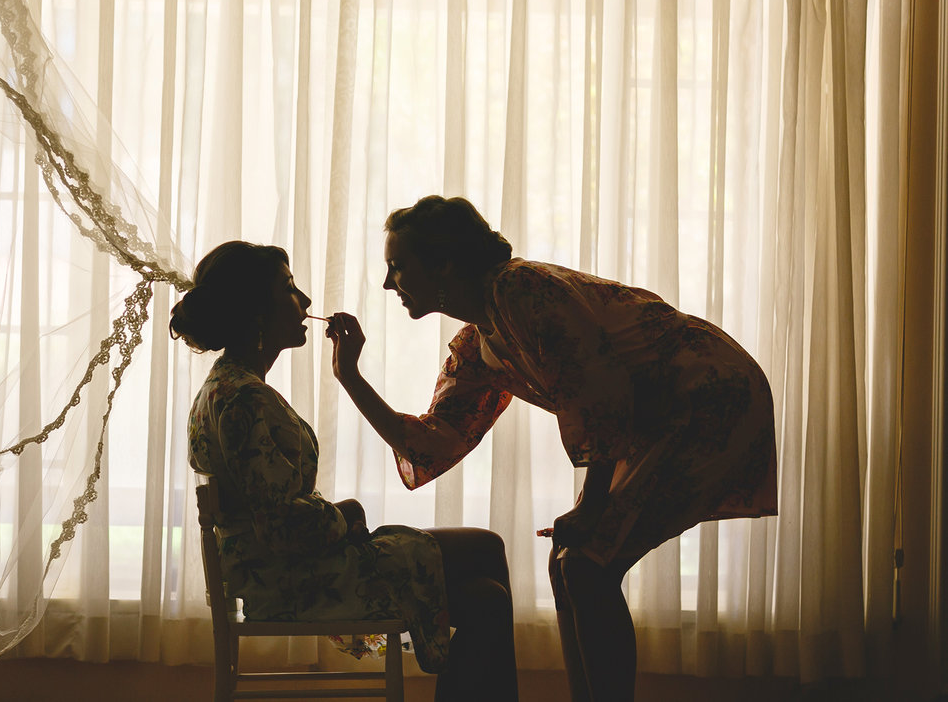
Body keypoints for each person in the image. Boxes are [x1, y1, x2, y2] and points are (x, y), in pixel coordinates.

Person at [326, 196, 778, 702]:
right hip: (656, 418)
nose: (389, 284)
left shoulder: (521, 289)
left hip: (710, 396)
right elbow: (432, 442)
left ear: (444, 263)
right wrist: (350, 376)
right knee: (571, 561)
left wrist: (593, 502)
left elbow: (595, 387)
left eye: (397, 266)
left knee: (586, 562)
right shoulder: (477, 345)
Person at [171, 240, 519, 702]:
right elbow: (279, 525)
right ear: (257, 312)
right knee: (486, 569)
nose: (307, 302)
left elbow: (266, 505)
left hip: (290, 568)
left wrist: (346, 372)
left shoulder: (229, 386)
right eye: (289, 288)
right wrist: (345, 515)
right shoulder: (242, 398)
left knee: (486, 590)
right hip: (293, 579)